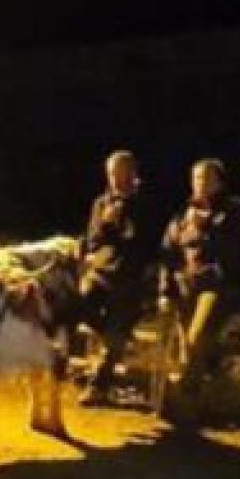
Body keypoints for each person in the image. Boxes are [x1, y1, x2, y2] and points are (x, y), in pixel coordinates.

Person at [158, 157, 240, 401]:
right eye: (197, 178)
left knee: (195, 339)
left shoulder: (235, 210)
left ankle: (182, 394)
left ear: (220, 182)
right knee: (184, 345)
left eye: (208, 178)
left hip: (217, 286)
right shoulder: (182, 215)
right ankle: (186, 402)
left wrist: (207, 228)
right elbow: (168, 253)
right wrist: (165, 291)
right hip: (186, 284)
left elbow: (237, 251)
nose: (201, 183)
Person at [78, 150, 159, 406]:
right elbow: (92, 241)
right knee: (81, 304)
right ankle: (114, 338)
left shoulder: (146, 203)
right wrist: (104, 223)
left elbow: (144, 242)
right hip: (101, 273)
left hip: (130, 277)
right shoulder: (101, 203)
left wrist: (125, 215)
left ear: (133, 174)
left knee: (118, 325)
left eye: (122, 173)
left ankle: (97, 387)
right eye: (112, 173)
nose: (116, 179)